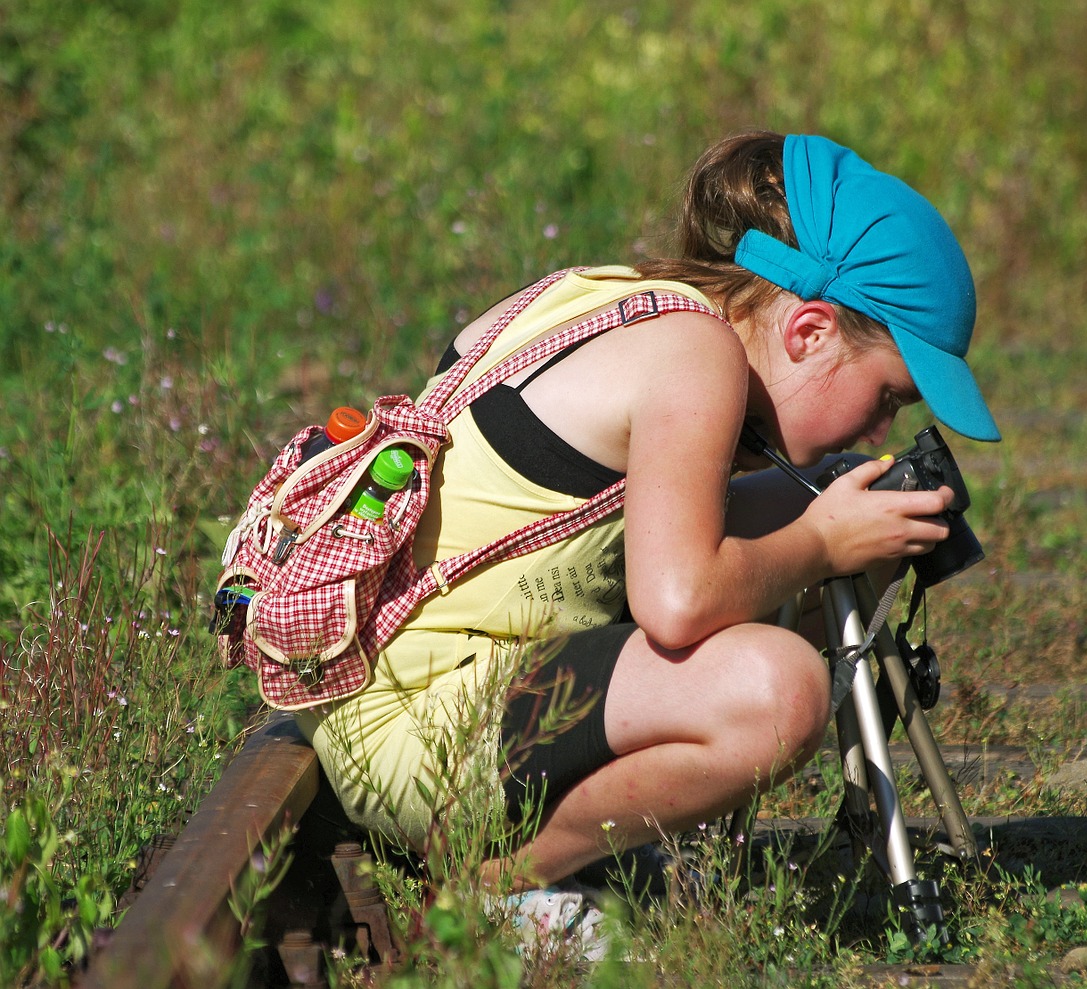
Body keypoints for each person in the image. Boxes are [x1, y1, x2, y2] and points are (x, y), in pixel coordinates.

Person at [295, 130, 1000, 955]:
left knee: (834, 506)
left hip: (394, 697)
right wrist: (821, 539)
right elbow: (678, 600)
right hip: (424, 735)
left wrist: (844, 511)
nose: (885, 425)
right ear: (808, 330)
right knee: (778, 693)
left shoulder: (622, 299)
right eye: (887, 396)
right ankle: (490, 884)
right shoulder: (695, 360)